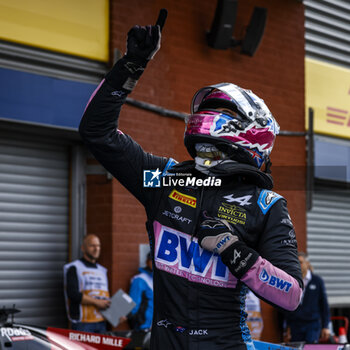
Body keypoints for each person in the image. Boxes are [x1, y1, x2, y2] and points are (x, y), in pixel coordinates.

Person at [78, 17, 303, 349]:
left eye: (214, 116)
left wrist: (233, 250)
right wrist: (130, 65)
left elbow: (292, 296)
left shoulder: (265, 204)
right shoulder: (166, 180)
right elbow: (98, 134)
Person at [63, 234, 110, 333]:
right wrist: (97, 302)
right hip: (83, 323)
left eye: (98, 246)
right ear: (83, 248)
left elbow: (103, 296)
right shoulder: (74, 268)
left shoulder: (102, 270)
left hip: (101, 322)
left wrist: (116, 314)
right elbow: (73, 294)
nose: (96, 249)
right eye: (92, 245)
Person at [284, 252, 330, 344]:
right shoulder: (291, 281)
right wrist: (287, 327)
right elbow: (287, 305)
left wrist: (326, 326)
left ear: (307, 264)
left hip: (312, 324)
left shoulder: (317, 281)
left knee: (310, 346)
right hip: (296, 325)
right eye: (296, 262)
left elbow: (324, 305)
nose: (298, 264)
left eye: (301, 262)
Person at [127, 252, 154, 331]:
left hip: (155, 327)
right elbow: (133, 304)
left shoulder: (158, 279)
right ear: (147, 262)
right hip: (142, 327)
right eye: (151, 260)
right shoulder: (139, 279)